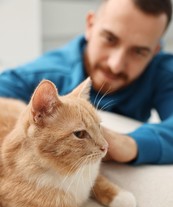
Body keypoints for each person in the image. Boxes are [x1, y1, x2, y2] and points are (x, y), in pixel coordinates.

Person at [0, 0, 173, 164]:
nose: (116, 65)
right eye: (110, 39)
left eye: (139, 52)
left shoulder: (162, 71)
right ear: (90, 25)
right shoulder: (45, 73)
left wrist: (132, 145)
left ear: (155, 51)